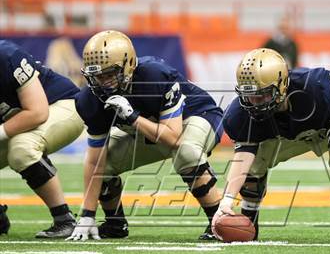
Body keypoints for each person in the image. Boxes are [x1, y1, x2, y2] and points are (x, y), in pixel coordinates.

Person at [212, 48, 330, 242]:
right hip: (300, 133)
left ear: (282, 85)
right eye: (249, 95)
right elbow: (242, 160)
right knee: (255, 161)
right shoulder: (241, 113)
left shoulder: (314, 85)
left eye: (262, 95)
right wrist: (226, 202)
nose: (254, 103)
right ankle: (248, 221)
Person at [66, 30, 223, 241]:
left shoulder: (154, 76)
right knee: (106, 162)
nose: (103, 83)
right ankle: (114, 225)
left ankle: (219, 223)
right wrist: (87, 214)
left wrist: (133, 117)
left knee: (187, 153)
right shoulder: (88, 99)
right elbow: (95, 161)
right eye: (96, 76)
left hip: (194, 117)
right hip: (148, 129)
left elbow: (173, 138)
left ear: (129, 65)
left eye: (109, 74)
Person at [0, 40, 84, 238]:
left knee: (21, 149)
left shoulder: (6, 56)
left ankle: (64, 219)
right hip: (20, 117)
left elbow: (37, 112)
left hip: (62, 105)